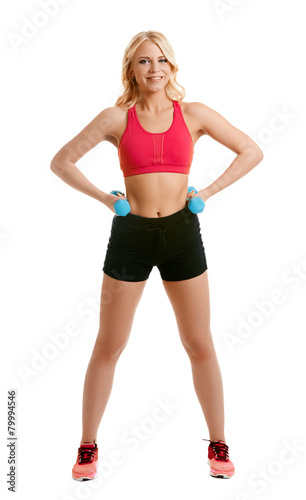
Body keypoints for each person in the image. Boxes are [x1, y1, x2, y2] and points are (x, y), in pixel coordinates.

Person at [50, 30, 263, 481]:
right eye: (144, 61)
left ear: (173, 66)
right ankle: (87, 447)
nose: (154, 69)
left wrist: (206, 192)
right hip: (131, 234)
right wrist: (107, 201)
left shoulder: (195, 114)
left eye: (161, 60)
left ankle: (218, 444)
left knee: (199, 342)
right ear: (132, 68)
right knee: (110, 344)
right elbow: (62, 161)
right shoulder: (115, 118)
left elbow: (251, 150)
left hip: (182, 233)